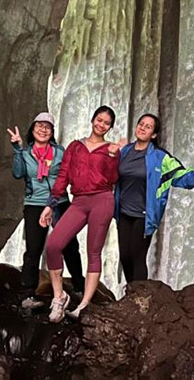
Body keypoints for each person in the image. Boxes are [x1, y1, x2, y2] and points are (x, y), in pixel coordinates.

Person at [115, 113, 194, 283]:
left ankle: (138, 297)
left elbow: (182, 174)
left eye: (148, 126)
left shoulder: (159, 157)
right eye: (141, 124)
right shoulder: (125, 151)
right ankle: (131, 293)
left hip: (145, 214)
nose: (142, 128)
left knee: (137, 256)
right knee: (125, 257)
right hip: (123, 211)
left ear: (153, 135)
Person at [40, 105, 123, 322]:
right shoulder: (75, 147)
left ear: (110, 127)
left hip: (102, 200)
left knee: (93, 252)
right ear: (92, 120)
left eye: (106, 122)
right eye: (99, 119)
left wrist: (113, 156)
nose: (101, 124)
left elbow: (113, 179)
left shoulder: (111, 150)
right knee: (54, 244)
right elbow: (63, 177)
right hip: (78, 202)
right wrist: (50, 204)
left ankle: (84, 304)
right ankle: (59, 296)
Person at [7, 111, 85, 310]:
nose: (43, 130)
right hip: (34, 203)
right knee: (33, 248)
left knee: (69, 245)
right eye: (39, 126)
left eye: (47, 127)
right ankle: (27, 294)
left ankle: (79, 286)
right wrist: (17, 149)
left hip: (59, 202)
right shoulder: (25, 153)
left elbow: (69, 175)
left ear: (52, 132)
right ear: (32, 130)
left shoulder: (60, 152)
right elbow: (18, 174)